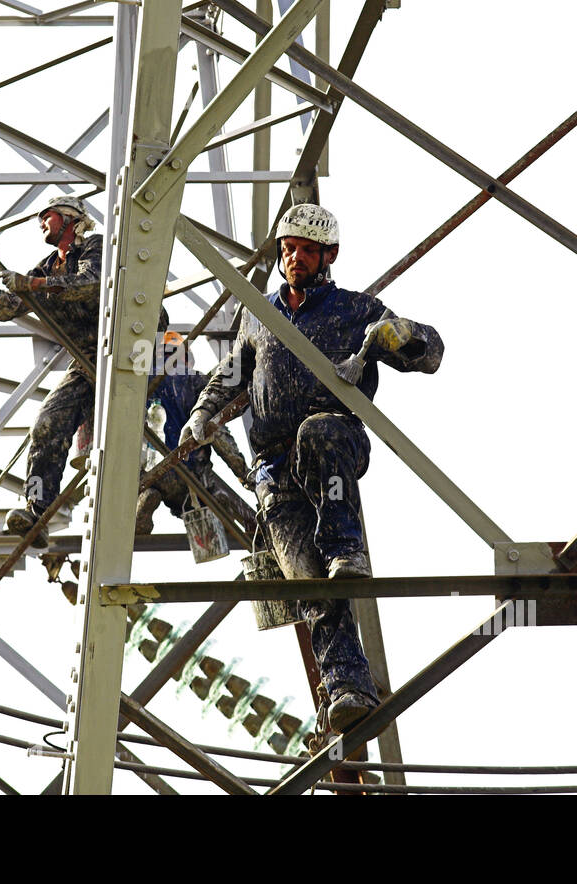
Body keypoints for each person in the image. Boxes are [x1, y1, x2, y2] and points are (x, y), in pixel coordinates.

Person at [184, 202, 443, 734]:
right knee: (309, 581)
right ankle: (346, 684)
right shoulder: (258, 314)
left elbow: (431, 353)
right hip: (273, 470)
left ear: (327, 256)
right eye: (287, 250)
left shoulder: (355, 311)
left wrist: (405, 337)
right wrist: (203, 413)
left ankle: (347, 547)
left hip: (333, 445)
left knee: (317, 432)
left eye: (303, 250)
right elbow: (233, 373)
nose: (293, 259)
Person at [0, 195, 101, 547]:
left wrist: (31, 286)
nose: (41, 224)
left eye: (47, 217)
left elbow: (90, 283)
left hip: (131, 346)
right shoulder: (46, 268)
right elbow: (3, 307)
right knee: (46, 424)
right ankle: (38, 512)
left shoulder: (95, 247)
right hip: (88, 357)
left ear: (68, 219)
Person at [136, 324, 255, 539]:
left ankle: (146, 496)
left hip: (148, 472)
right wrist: (243, 473)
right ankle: (219, 508)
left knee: (145, 484)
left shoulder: (138, 383)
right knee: (203, 497)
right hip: (191, 473)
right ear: (185, 358)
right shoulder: (197, 382)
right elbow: (219, 436)